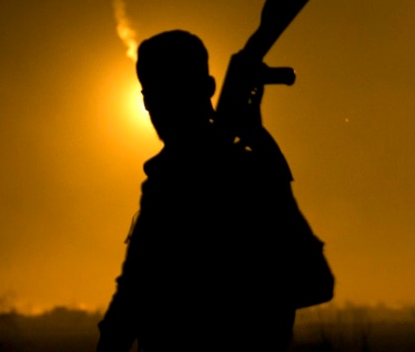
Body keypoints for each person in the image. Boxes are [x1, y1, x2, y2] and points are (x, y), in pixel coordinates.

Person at [97, 30, 304, 352]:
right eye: (151, 96)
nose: (159, 109)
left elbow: (307, 278)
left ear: (207, 89)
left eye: (171, 93)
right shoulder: (184, 177)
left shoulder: (188, 180)